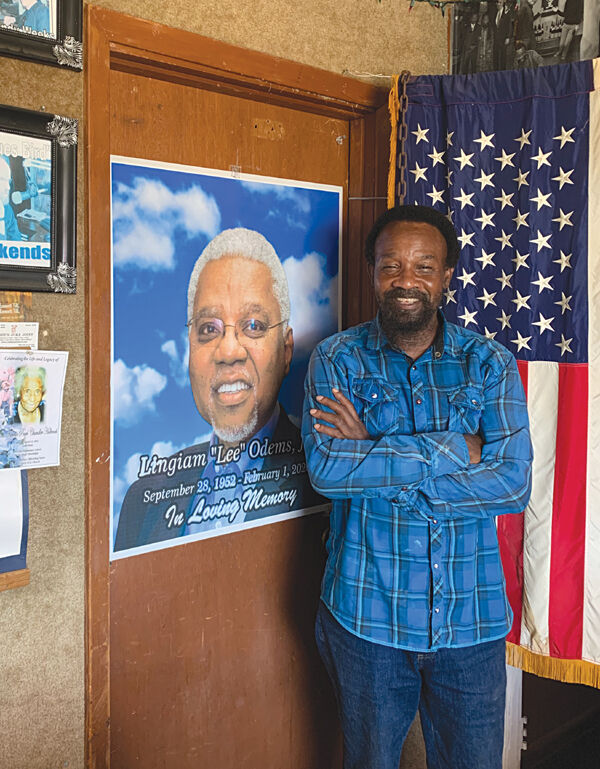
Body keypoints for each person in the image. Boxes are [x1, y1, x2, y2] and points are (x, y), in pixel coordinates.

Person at [302, 205, 533, 769]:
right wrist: (455, 448)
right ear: (372, 272)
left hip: (471, 624)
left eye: (424, 266)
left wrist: (374, 457)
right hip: (367, 622)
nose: (406, 280)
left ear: (446, 275)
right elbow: (329, 471)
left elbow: (512, 484)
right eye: (391, 266)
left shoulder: (490, 365)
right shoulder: (336, 360)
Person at [115, 227, 324, 551]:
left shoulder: (324, 479)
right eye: (208, 329)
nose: (228, 351)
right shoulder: (143, 499)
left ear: (286, 351)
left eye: (253, 326)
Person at [0, 158, 21, 242]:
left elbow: (16, 242)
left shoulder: (7, 209)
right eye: (2, 180)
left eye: (8, 181)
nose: (8, 187)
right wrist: (1, 220)